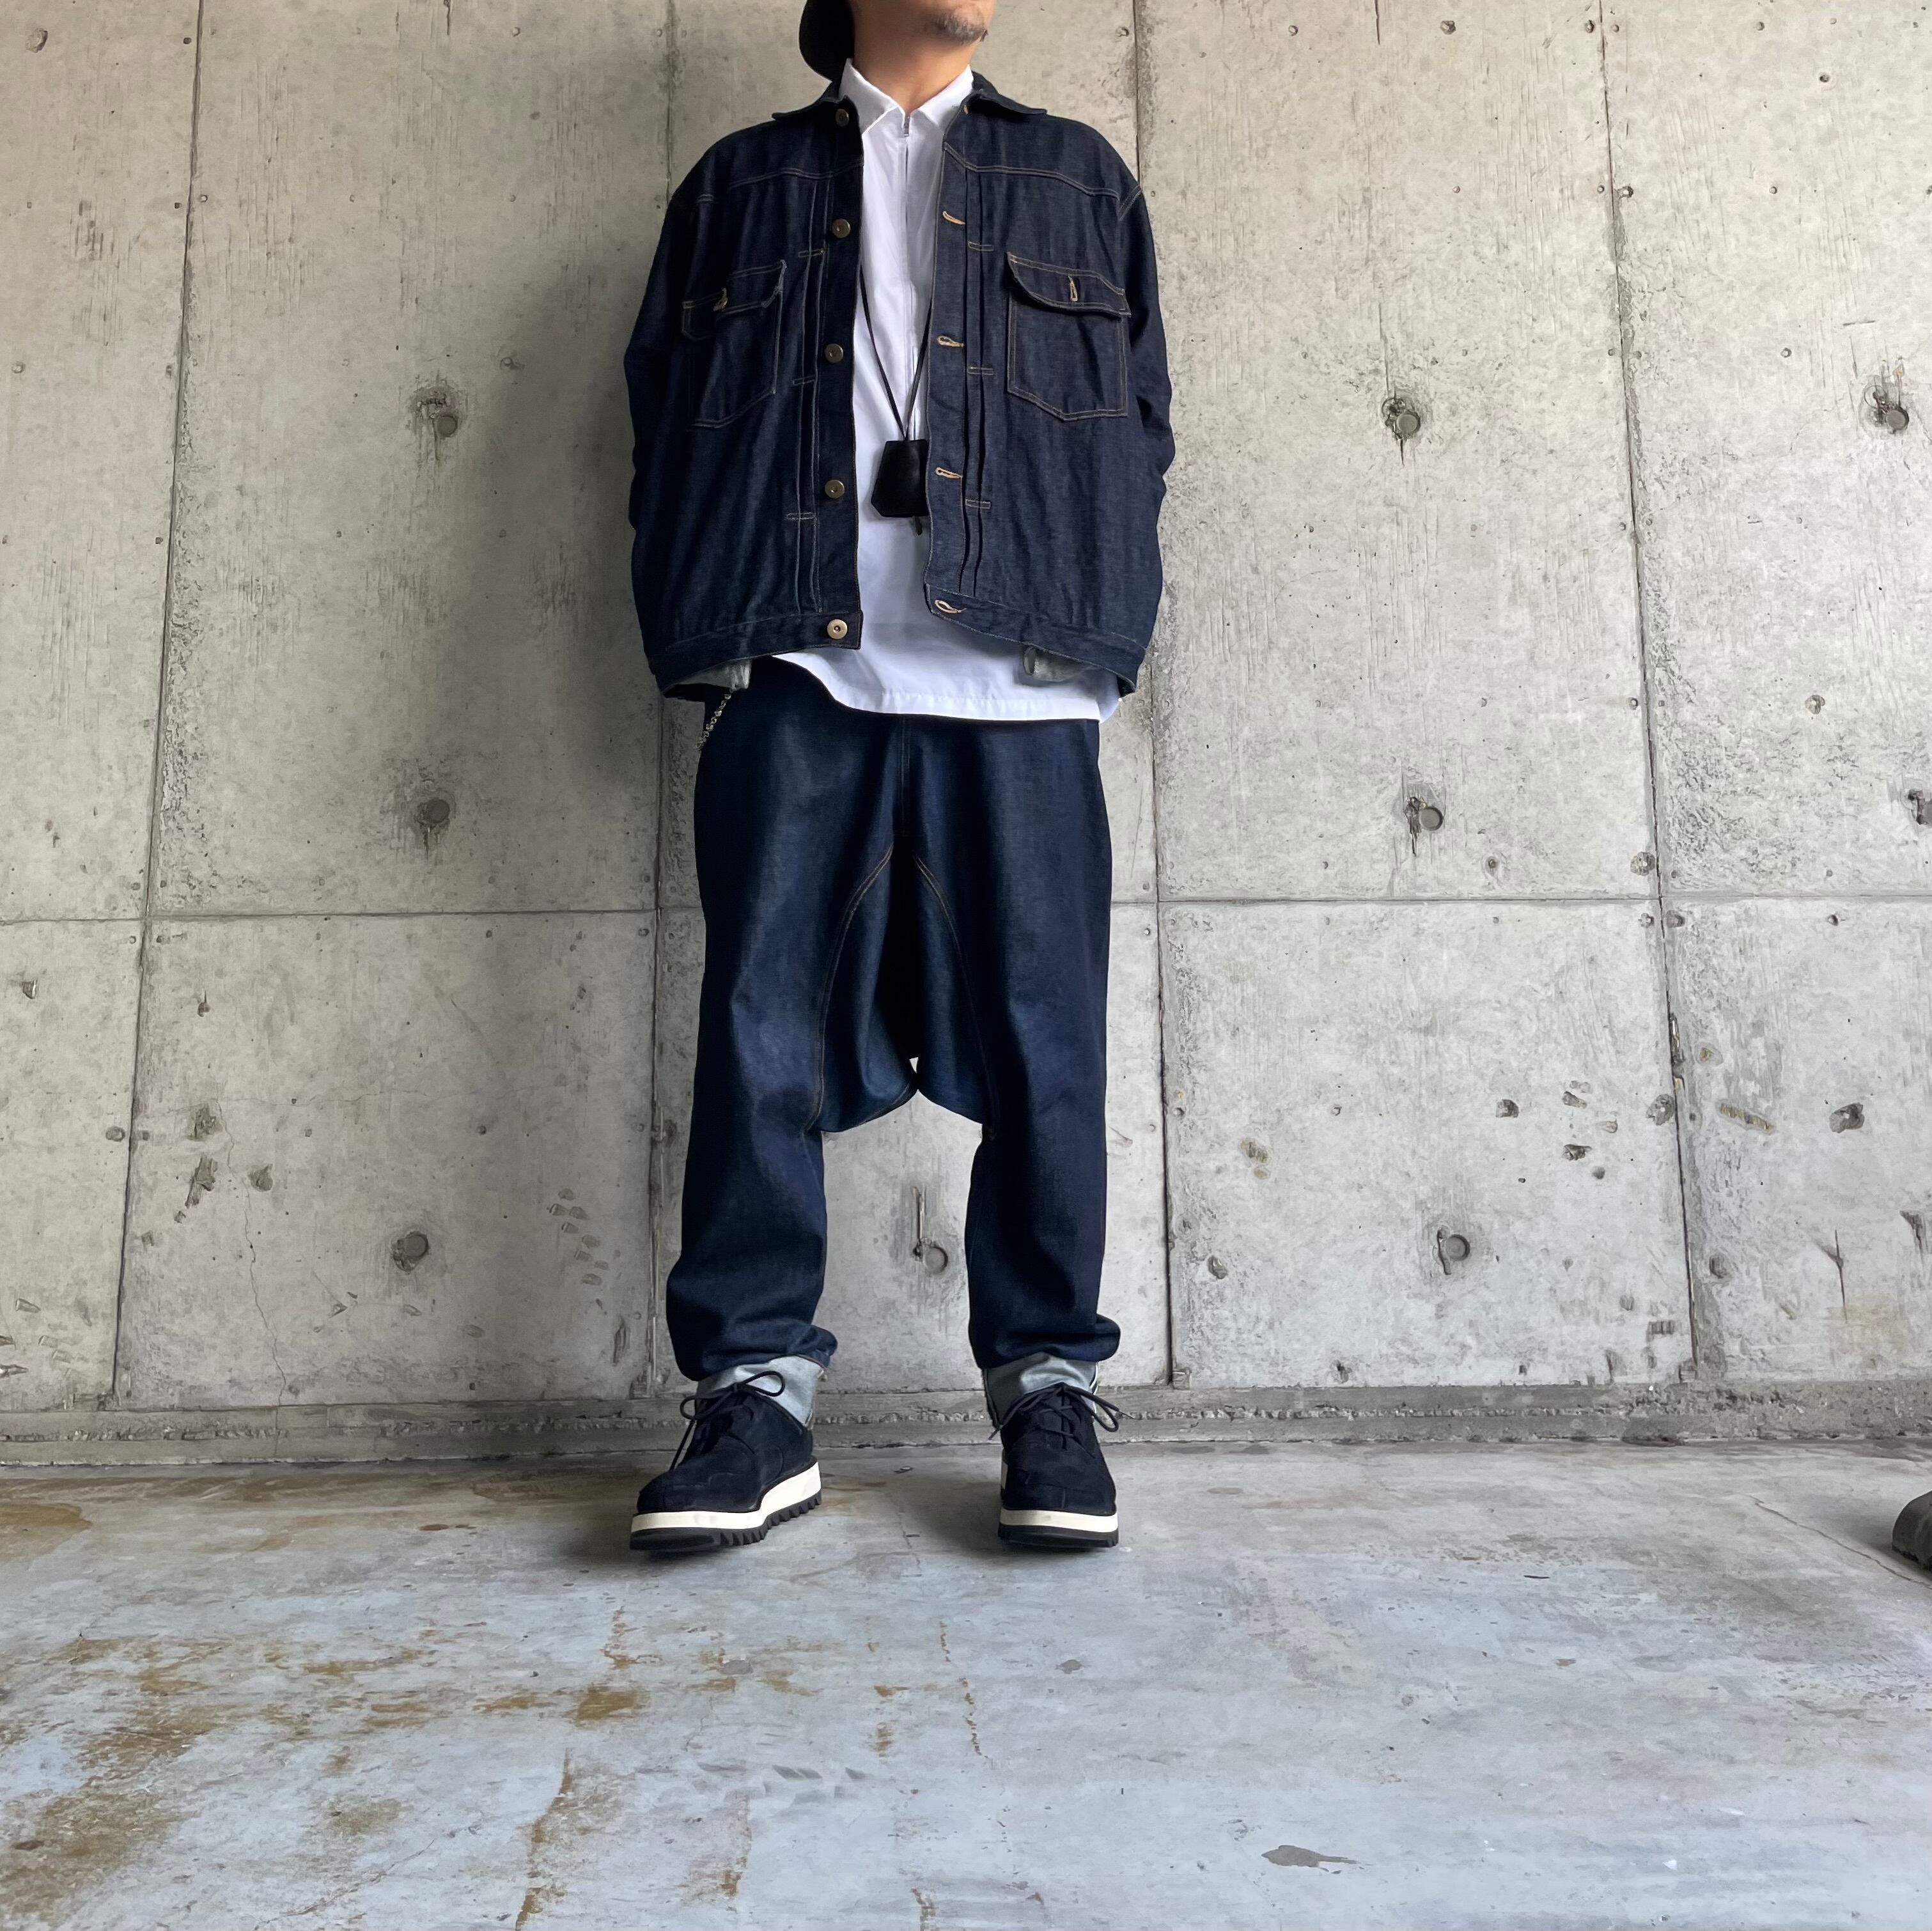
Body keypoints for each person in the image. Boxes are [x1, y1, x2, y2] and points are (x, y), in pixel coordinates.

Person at [621, 0, 1172, 1553]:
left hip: (1019, 676)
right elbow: (662, 423)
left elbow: (1138, 425)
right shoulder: (738, 183)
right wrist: (706, 624)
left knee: (1048, 1047)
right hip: (802, 666)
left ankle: (1048, 1384)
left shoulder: (1075, 175)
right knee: (757, 1037)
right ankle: (752, 1395)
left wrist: (1094, 618)